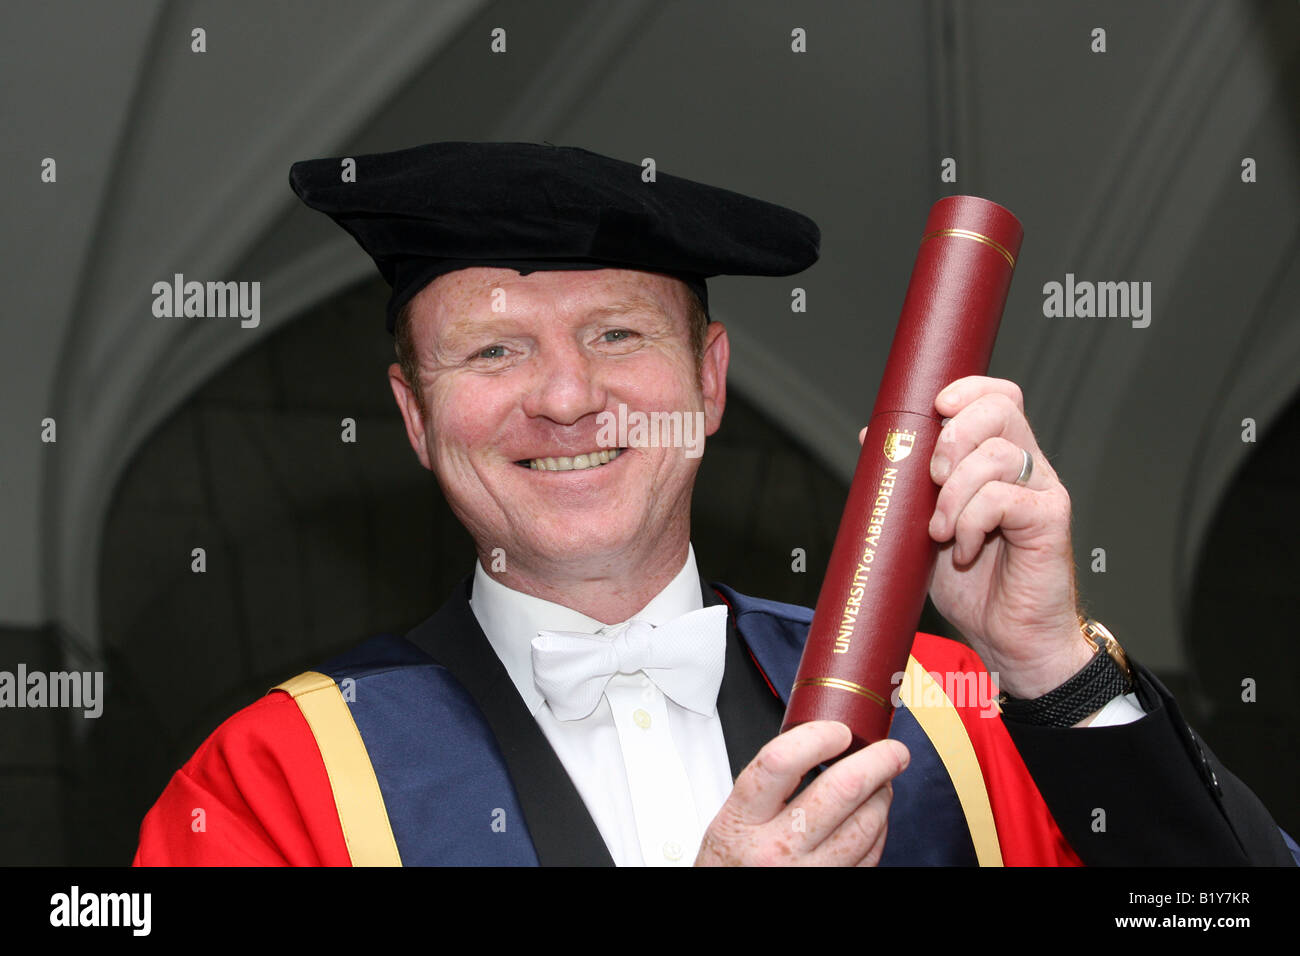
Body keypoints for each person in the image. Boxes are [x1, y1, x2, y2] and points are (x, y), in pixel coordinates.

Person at [133, 141, 1297, 867]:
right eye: (492, 350)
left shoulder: (952, 709)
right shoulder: (273, 779)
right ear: (414, 416)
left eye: (616, 335)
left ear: (707, 381)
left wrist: (1053, 665)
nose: (566, 396)